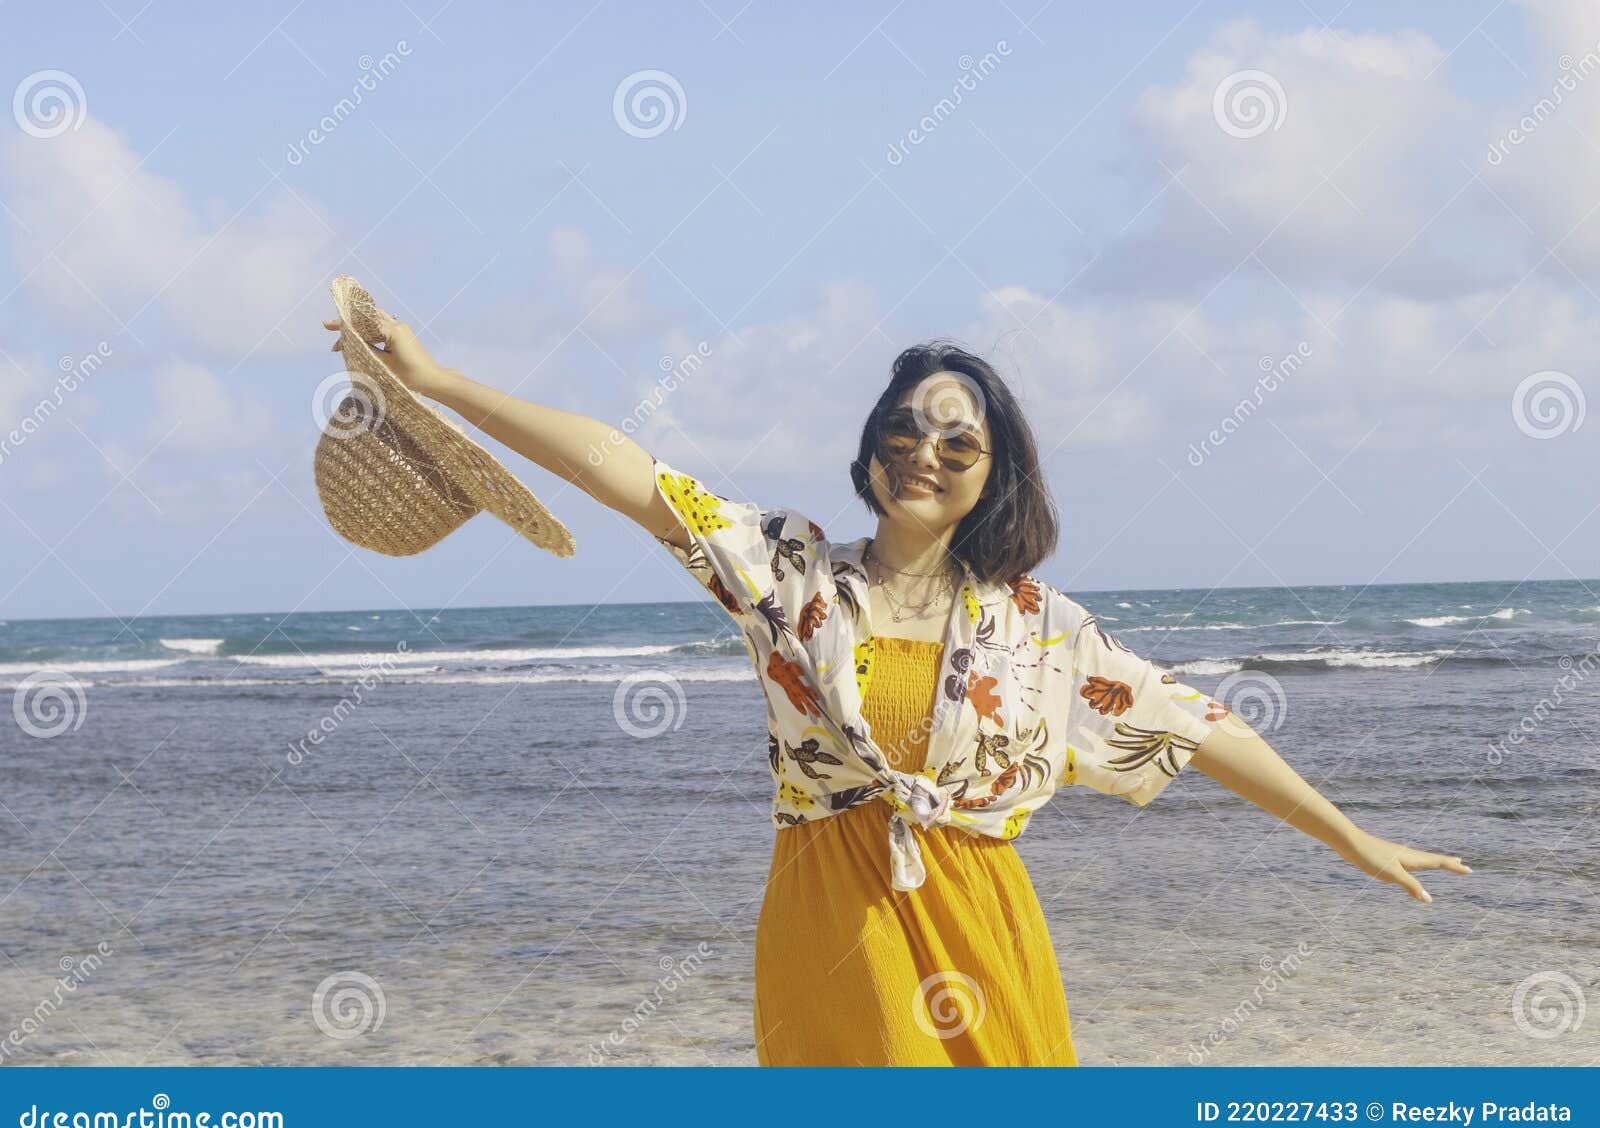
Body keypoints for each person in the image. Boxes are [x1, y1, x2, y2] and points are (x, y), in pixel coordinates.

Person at [323, 313, 1472, 1066]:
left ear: (992, 472)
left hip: (985, 922)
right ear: (871, 450)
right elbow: (628, 472)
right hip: (833, 919)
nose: (926, 450)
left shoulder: (1040, 630)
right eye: (903, 428)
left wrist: (1347, 834)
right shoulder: (789, 577)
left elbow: (1201, 726)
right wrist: (434, 379)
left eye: (958, 442)